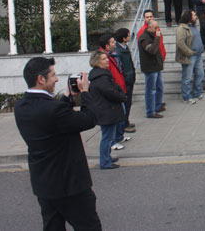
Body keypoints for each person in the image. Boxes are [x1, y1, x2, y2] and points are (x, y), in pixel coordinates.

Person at [14, 57, 102, 230]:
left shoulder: (21, 106)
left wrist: (68, 98)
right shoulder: (53, 110)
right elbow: (89, 119)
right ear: (41, 78)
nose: (56, 79)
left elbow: (52, 121)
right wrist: (85, 92)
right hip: (69, 186)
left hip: (44, 185)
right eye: (53, 75)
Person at [88, 50, 127, 170]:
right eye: (104, 59)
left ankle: (107, 157)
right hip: (106, 111)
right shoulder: (101, 78)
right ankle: (105, 161)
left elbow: (114, 88)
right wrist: (122, 96)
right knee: (107, 137)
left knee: (109, 136)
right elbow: (111, 92)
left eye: (106, 58)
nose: (107, 61)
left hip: (108, 110)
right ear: (97, 62)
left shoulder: (102, 75)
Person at [97, 34, 129, 151]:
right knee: (116, 118)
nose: (115, 44)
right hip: (114, 91)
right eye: (112, 42)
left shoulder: (113, 55)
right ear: (106, 46)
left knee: (122, 114)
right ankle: (113, 141)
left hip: (120, 87)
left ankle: (119, 136)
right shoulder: (103, 58)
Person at [176, 10, 205, 104]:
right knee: (187, 77)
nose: (196, 17)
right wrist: (189, 52)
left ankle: (197, 93)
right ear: (189, 17)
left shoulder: (194, 26)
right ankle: (186, 97)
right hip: (189, 56)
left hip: (198, 55)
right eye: (194, 15)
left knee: (200, 74)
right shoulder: (182, 28)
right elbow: (180, 43)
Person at [138, 20, 166, 118]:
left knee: (160, 87)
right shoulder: (144, 38)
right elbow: (152, 50)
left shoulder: (151, 35)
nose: (157, 30)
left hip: (156, 66)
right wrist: (157, 38)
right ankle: (150, 111)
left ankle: (157, 106)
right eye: (155, 28)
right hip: (150, 68)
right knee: (151, 90)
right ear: (149, 27)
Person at [114, 28, 136, 133]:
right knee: (125, 103)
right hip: (125, 81)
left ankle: (126, 121)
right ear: (123, 38)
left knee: (128, 102)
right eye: (128, 35)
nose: (129, 36)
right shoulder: (118, 51)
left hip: (129, 79)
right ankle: (123, 125)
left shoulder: (125, 47)